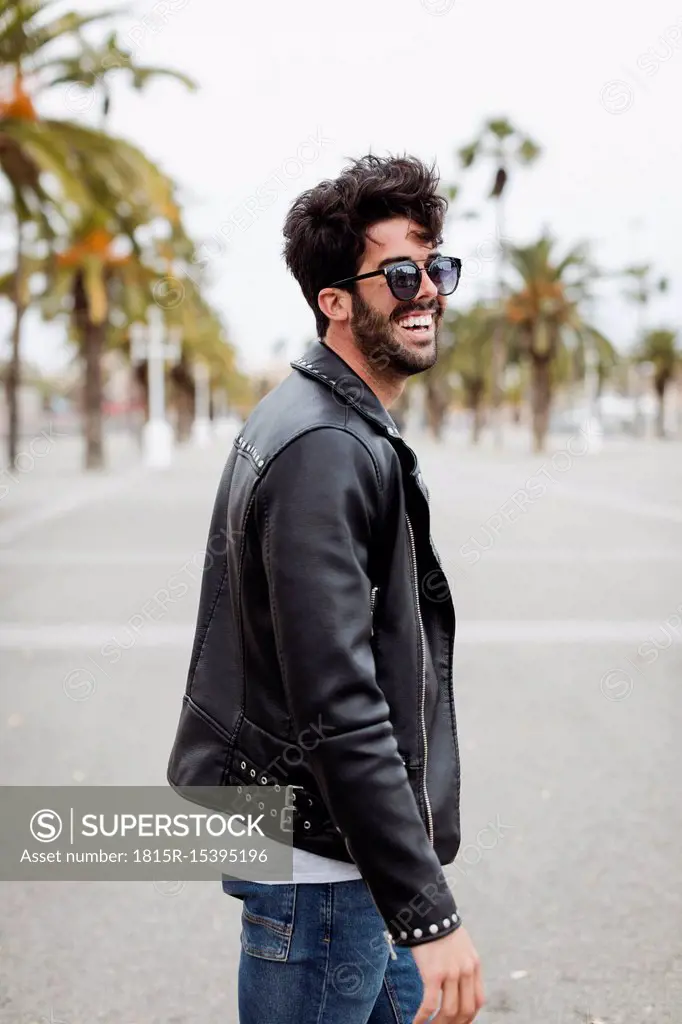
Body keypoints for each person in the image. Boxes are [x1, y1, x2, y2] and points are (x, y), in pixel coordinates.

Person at [167, 153, 485, 1024]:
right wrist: (429, 910)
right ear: (333, 301)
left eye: (435, 268)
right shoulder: (325, 448)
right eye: (400, 274)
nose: (426, 293)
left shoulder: (323, 423)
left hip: (340, 868)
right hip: (325, 881)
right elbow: (338, 700)